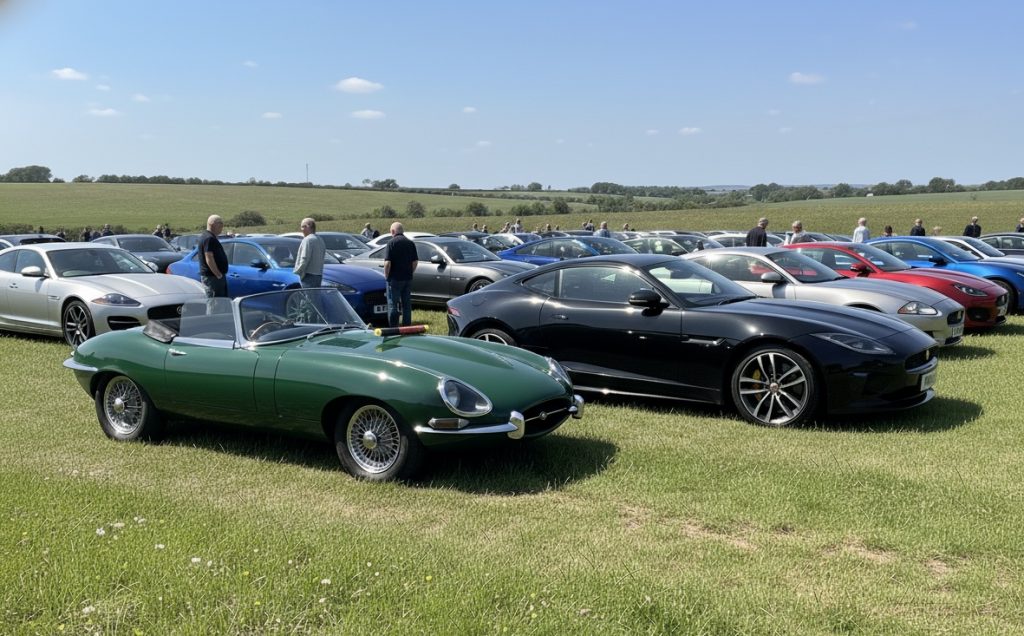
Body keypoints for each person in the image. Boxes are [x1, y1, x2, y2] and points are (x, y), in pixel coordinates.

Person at [382, 222, 418, 327]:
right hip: (407, 278)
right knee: (406, 304)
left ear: (393, 231)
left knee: (393, 304)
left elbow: (387, 263)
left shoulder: (391, 243)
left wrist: (386, 276)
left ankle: (393, 327)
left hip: (394, 279)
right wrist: (410, 272)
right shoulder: (410, 243)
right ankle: (407, 326)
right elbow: (415, 262)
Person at [198, 215, 229, 299]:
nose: (222, 226)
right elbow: (209, 258)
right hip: (213, 278)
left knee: (220, 302)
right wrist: (218, 275)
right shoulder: (209, 238)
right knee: (215, 303)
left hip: (214, 277)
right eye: (220, 223)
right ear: (212, 224)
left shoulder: (208, 237)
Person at [293, 217, 326, 288]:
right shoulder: (320, 240)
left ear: (308, 227)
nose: (301, 229)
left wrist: (297, 273)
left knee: (307, 295)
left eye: (303, 227)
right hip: (319, 276)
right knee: (315, 295)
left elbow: (304, 259)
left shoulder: (308, 240)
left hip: (308, 276)